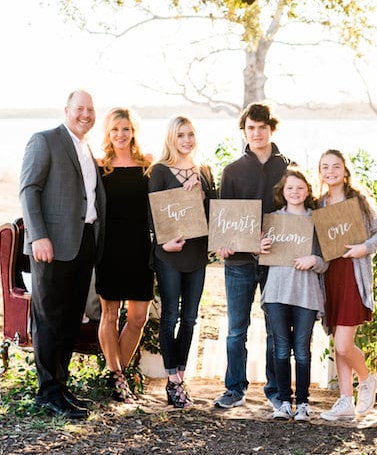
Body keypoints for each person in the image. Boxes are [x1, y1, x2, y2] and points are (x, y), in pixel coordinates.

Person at [19, 89, 106, 420]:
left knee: (71, 319)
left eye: (90, 109)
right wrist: (38, 236)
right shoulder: (44, 140)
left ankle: (61, 384)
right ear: (67, 110)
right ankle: (47, 392)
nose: (86, 114)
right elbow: (29, 190)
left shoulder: (86, 148)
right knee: (50, 318)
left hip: (83, 242)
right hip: (51, 245)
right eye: (79, 108)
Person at [213, 102, 291, 411]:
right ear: (244, 131)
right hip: (239, 264)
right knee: (236, 329)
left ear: (271, 128)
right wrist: (224, 242)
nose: (256, 133)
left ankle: (276, 391)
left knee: (276, 328)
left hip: (276, 261)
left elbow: (294, 213)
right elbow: (225, 221)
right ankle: (234, 388)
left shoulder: (288, 168)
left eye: (262, 127)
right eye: (250, 128)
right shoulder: (232, 171)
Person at [148, 115, 216, 408]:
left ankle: (181, 375)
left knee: (190, 318)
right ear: (171, 139)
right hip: (170, 253)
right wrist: (164, 243)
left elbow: (216, 213)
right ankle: (172, 381)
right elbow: (152, 214)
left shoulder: (205, 171)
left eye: (190, 134)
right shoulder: (159, 172)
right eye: (180, 136)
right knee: (170, 317)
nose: (186, 141)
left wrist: (204, 197)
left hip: (197, 253)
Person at [316, 149, 377, 421]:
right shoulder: (319, 204)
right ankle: (346, 400)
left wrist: (363, 248)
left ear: (345, 171)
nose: (330, 171)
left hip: (353, 277)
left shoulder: (358, 201)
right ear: (320, 173)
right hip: (330, 278)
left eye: (336, 166)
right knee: (338, 344)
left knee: (345, 346)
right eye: (325, 167)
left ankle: (367, 379)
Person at [259, 166, 328, 422]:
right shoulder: (273, 220)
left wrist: (314, 260)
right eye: (290, 188)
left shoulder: (316, 221)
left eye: (300, 187)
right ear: (282, 191)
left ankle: (303, 404)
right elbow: (261, 256)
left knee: (301, 350)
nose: (295, 192)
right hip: (277, 291)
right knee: (280, 349)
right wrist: (260, 247)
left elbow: (326, 262)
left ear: (308, 191)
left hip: (306, 293)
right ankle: (284, 402)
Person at [95, 107, 154, 403]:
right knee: (110, 313)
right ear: (107, 132)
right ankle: (118, 377)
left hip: (140, 248)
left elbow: (166, 197)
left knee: (138, 318)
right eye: (115, 129)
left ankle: (118, 372)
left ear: (133, 132)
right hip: (109, 248)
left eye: (126, 129)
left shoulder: (147, 165)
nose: (121, 134)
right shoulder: (100, 166)